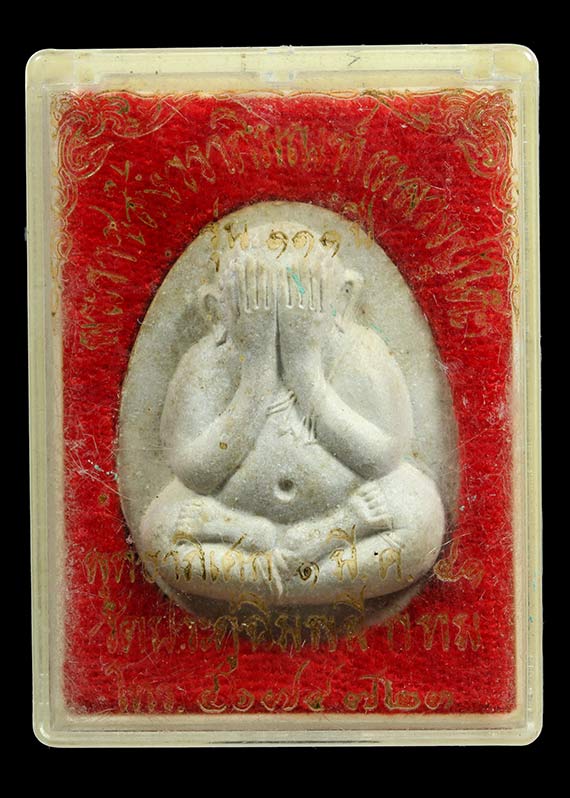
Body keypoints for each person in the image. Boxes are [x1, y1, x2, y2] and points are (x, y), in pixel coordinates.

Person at [140, 247, 444, 606]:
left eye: (302, 298)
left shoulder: (361, 350)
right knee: (159, 533)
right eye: (256, 302)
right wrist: (257, 370)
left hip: (345, 519)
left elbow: (383, 458)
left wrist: (305, 370)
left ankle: (312, 548)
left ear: (342, 298)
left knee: (421, 517)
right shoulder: (208, 361)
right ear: (217, 310)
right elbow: (194, 472)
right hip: (234, 524)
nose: (278, 322)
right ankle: (267, 556)